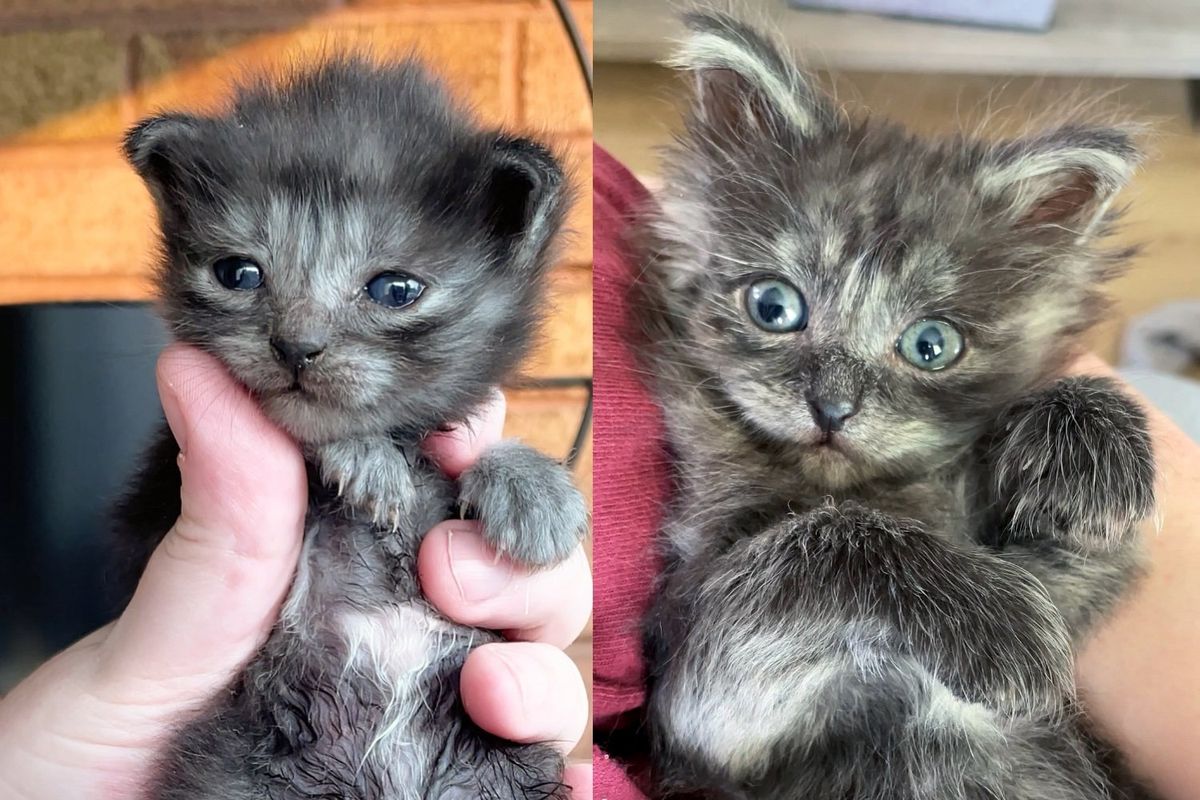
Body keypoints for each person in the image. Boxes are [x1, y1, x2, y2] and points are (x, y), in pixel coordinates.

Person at [591, 144, 1200, 800]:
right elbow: (712, 716)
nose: (833, 397)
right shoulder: (720, 473)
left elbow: (1052, 630)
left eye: (926, 347)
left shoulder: (967, 442)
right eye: (776, 309)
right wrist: (863, 558)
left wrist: (1083, 423)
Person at [0, 343, 593, 799]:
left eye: (394, 290)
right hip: (279, 760)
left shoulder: (455, 435)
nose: (304, 337)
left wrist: (509, 471)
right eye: (244, 277)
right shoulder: (235, 439)